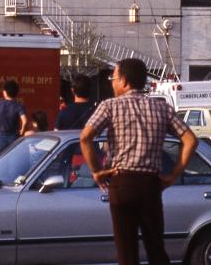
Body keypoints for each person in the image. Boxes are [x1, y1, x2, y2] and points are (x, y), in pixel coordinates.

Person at [80, 58, 197, 265]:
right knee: (156, 248)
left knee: (126, 251)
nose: (112, 83)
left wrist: (96, 170)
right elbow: (190, 140)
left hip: (121, 182)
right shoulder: (162, 108)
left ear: (124, 81)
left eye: (113, 78)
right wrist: (172, 176)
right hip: (151, 185)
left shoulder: (109, 106)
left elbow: (85, 137)